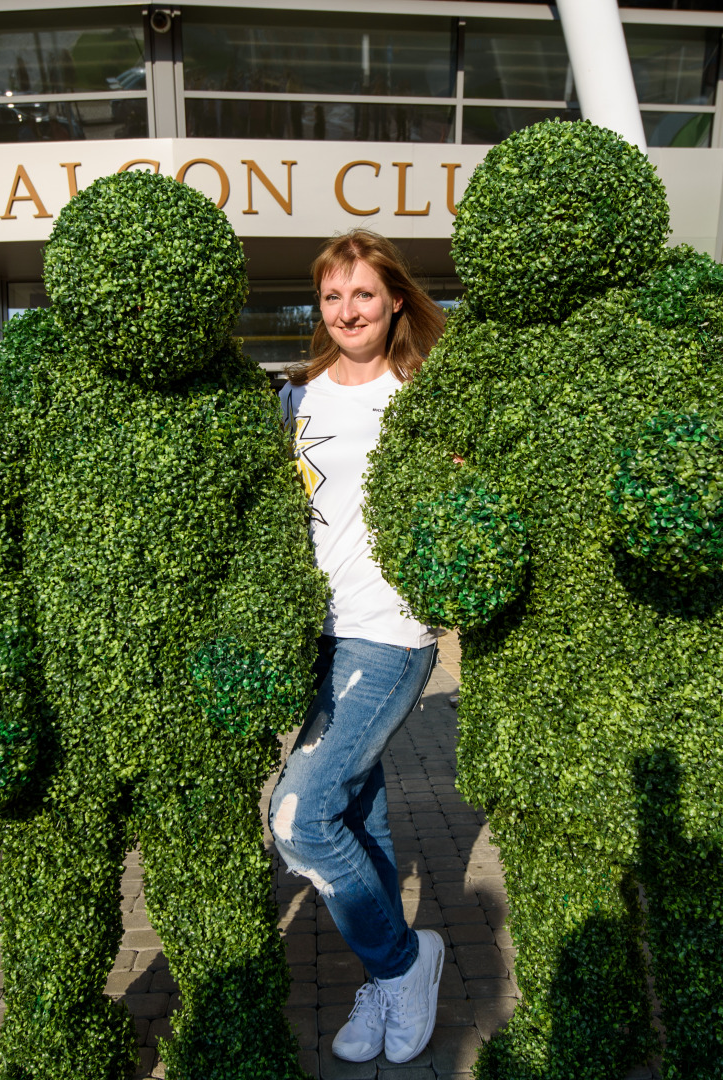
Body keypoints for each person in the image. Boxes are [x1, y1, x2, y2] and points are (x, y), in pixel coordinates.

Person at [270, 229, 448, 1065]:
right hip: (316, 631)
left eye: (364, 295)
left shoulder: (425, 393)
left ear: (395, 302)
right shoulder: (295, 398)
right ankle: (385, 980)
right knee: (355, 816)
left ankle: (404, 963)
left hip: (387, 633)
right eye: (333, 297)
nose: (347, 311)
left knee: (299, 820)